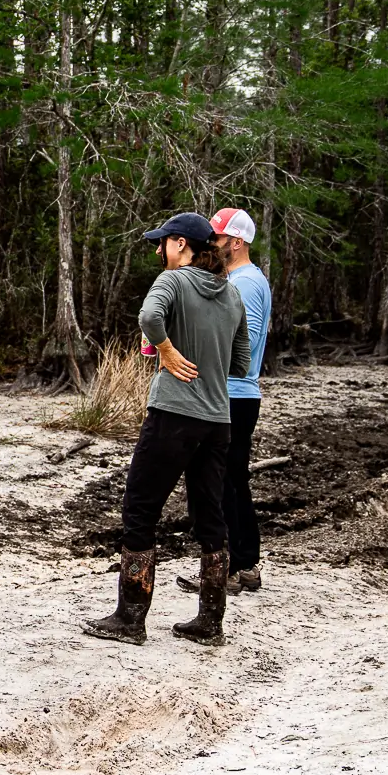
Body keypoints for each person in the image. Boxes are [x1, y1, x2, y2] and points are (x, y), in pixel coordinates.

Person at [84, 211, 249, 648]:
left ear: (180, 244)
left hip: (173, 415)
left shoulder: (172, 282)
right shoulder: (232, 294)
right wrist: (206, 356)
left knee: (140, 508)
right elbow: (241, 362)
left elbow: (148, 317)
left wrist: (168, 350)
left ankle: (130, 618)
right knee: (210, 516)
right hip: (218, 420)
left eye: (162, 242)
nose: (159, 250)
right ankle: (210, 622)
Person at [178, 207, 270, 597]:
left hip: (231, 393)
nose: (210, 244)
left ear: (236, 241)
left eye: (216, 238)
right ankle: (245, 564)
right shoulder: (242, 279)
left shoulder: (244, 283)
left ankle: (227, 568)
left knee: (217, 483)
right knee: (232, 481)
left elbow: (244, 343)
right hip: (236, 394)